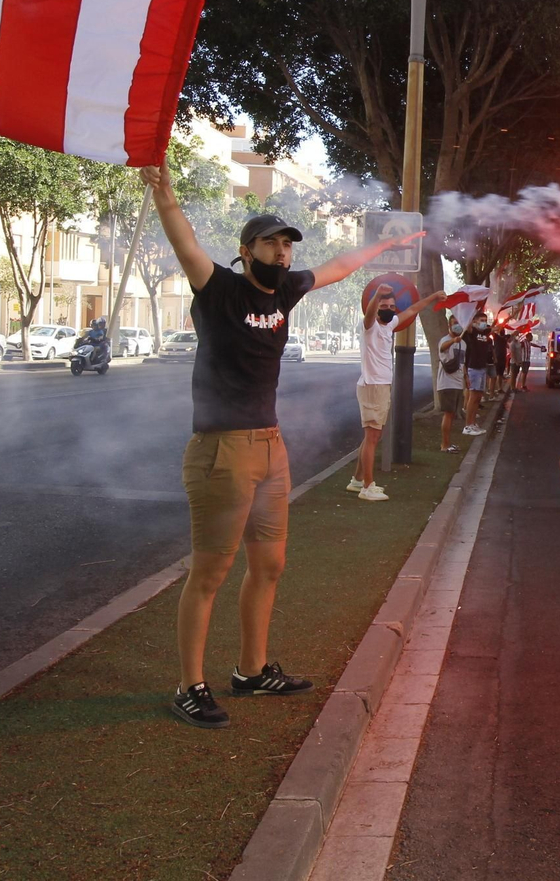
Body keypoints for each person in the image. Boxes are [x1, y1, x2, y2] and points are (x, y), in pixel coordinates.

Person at [140, 164, 420, 730]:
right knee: (210, 572)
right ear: (246, 252)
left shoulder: (288, 288)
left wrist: (383, 247)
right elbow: (184, 240)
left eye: (287, 243)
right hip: (222, 451)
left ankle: (251, 670)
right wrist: (163, 193)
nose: (283, 251)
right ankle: (190, 685)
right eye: (270, 242)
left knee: (270, 564)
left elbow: (337, 268)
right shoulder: (217, 288)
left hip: (271, 448)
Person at [348, 284, 445, 500]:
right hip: (372, 386)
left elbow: (411, 310)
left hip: (381, 386)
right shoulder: (369, 326)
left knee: (372, 435)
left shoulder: (389, 324)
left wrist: (432, 297)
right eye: (384, 305)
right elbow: (371, 312)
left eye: (392, 306)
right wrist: (376, 296)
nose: (389, 309)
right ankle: (367, 487)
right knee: (372, 436)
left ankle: (357, 480)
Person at [461, 311, 495, 436]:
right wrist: (472, 309)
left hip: (482, 368)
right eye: (481, 320)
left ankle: (473, 423)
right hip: (473, 368)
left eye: (485, 320)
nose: (484, 323)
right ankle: (467, 426)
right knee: (473, 396)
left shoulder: (484, 333)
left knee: (478, 397)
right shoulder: (471, 332)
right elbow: (468, 324)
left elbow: (496, 327)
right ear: (474, 321)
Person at [436, 319, 466, 452]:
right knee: (448, 414)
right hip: (447, 383)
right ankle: (445, 445)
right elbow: (442, 348)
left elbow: (462, 362)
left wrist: (466, 377)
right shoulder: (445, 340)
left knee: (452, 414)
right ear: (449, 325)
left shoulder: (463, 343)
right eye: (454, 323)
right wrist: (453, 341)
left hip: (458, 382)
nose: (457, 325)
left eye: (459, 323)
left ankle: (448, 443)